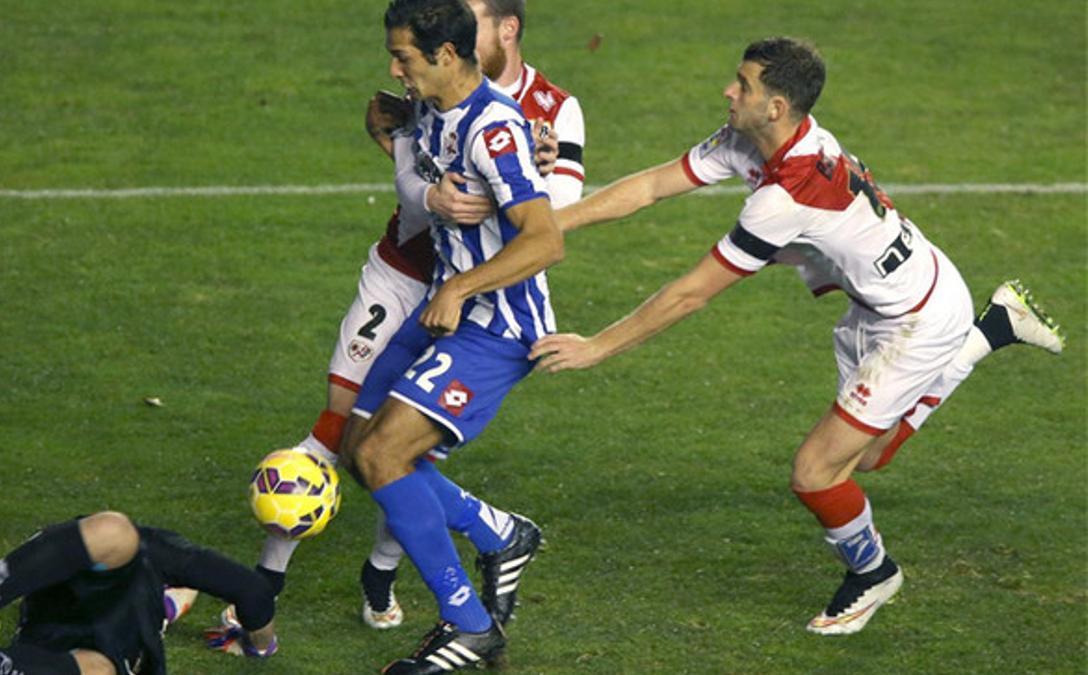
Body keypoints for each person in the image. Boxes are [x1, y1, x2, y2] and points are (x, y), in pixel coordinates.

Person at [529, 36, 1065, 636]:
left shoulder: (786, 197)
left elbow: (691, 292)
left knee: (815, 472)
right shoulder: (759, 137)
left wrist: (598, 346)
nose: (729, 91)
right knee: (871, 454)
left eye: (744, 84)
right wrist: (549, 224)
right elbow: (652, 186)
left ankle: (873, 574)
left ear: (777, 106)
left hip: (917, 319)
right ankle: (990, 330)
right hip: (887, 303)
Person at [341, 0, 563, 670]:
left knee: (385, 457)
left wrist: (462, 286)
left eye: (404, 56)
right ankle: (499, 531)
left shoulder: (492, 128)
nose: (393, 67)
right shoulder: (436, 105)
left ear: (444, 55)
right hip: (448, 310)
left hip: (495, 325)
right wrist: (389, 124)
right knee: (357, 446)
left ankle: (468, 622)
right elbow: (389, 115)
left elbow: (547, 240)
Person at [0, 511, 278, 673]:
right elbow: (252, 591)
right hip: (87, 565)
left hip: (59, 623)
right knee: (117, 532)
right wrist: (260, 644)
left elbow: (184, 601)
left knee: (97, 669)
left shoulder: (161, 610)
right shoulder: (164, 557)